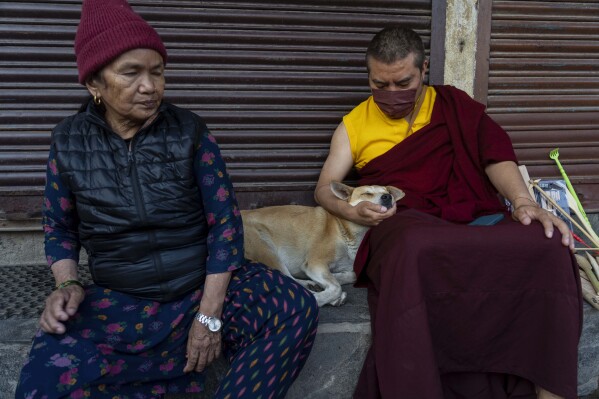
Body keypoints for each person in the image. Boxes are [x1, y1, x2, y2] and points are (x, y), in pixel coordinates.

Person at [16, 0, 318, 397]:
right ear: (94, 83)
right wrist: (68, 282)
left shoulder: (189, 132)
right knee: (45, 378)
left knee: (294, 309)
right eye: (131, 73)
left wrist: (209, 316)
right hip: (122, 299)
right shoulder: (68, 142)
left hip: (203, 288)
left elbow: (225, 224)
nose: (149, 85)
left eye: (157, 72)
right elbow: (58, 225)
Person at [315, 26, 581, 399]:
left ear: (423, 71)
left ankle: (548, 391)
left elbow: (495, 156)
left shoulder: (453, 106)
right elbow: (324, 187)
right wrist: (350, 210)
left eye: (403, 82)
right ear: (369, 77)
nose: (391, 95)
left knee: (547, 245)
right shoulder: (354, 123)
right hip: (405, 220)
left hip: (471, 213)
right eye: (380, 84)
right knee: (416, 246)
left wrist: (524, 203)